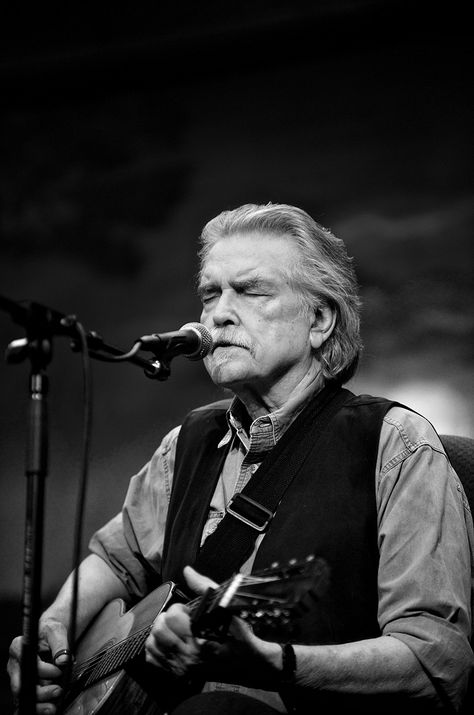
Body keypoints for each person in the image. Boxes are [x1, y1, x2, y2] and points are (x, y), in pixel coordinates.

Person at [7, 203, 474, 714]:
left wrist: (274, 662)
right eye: (211, 293)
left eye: (251, 290)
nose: (217, 313)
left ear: (319, 319)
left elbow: (435, 661)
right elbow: (116, 560)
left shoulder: (396, 444)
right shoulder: (186, 442)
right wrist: (55, 627)